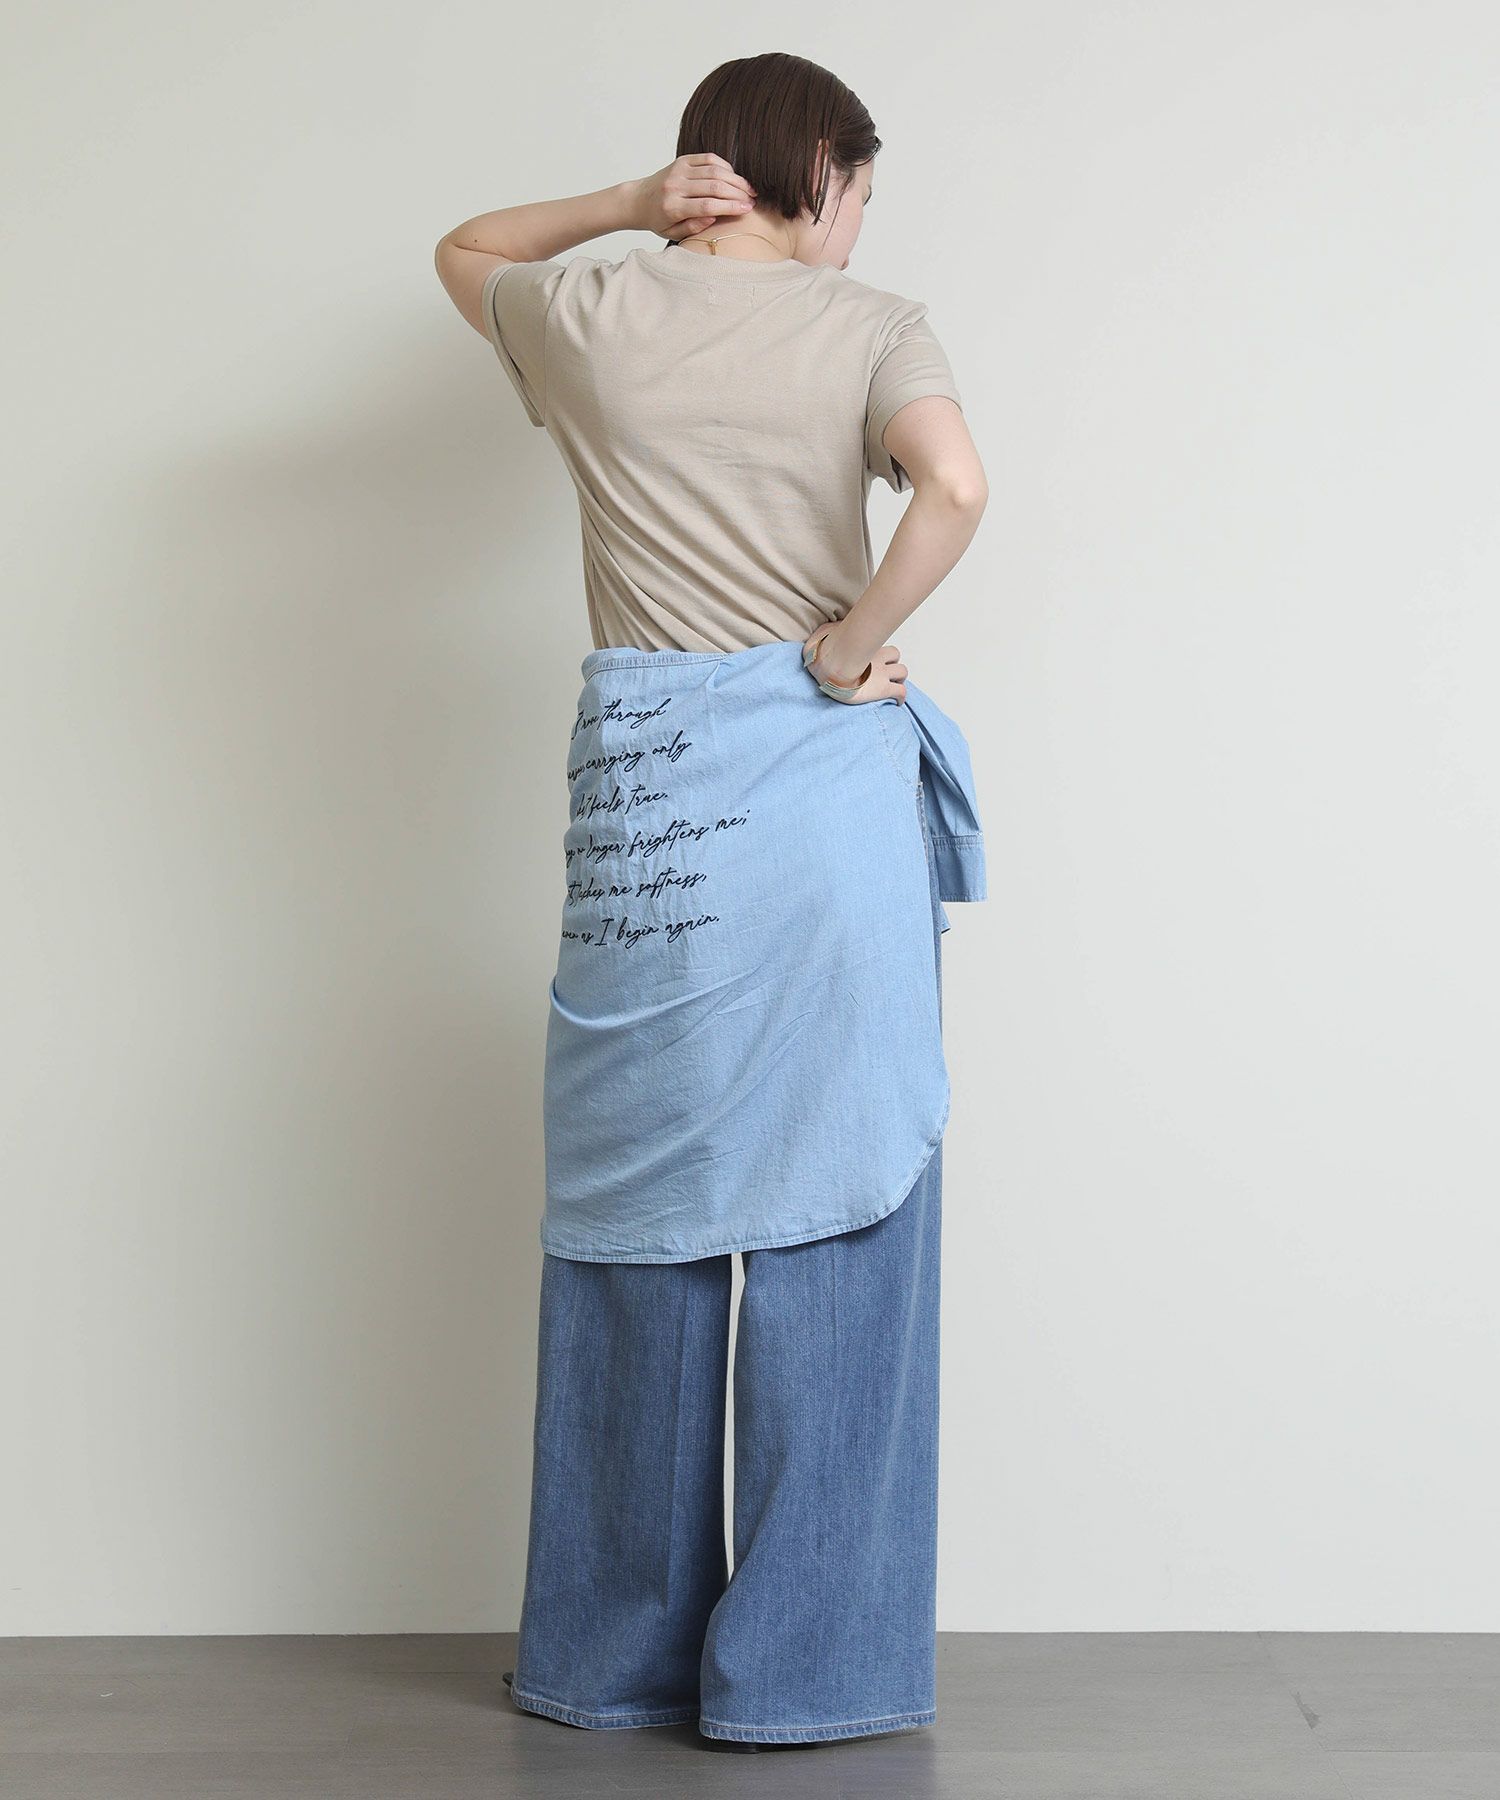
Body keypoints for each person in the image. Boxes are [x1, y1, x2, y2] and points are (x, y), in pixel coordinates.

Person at [434, 51, 989, 1751]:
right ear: (818, 170)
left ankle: (608, 1658)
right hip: (822, 814)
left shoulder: (591, 312)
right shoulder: (874, 325)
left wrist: (627, 204)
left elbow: (464, 249)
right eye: (860, 193)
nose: (858, 228)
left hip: (651, 811)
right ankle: (813, 1675)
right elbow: (956, 489)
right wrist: (841, 645)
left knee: (635, 1218)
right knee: (847, 1208)